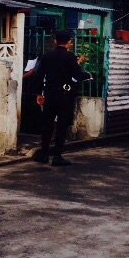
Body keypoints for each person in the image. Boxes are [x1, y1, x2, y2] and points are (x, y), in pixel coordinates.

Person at [31, 30, 89, 167]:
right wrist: (87, 75)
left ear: (55, 41)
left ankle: (44, 154)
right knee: (62, 125)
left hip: (50, 94)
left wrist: (39, 94)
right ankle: (57, 156)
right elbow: (77, 75)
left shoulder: (46, 56)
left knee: (47, 125)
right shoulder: (70, 57)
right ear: (69, 43)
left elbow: (39, 76)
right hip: (65, 95)